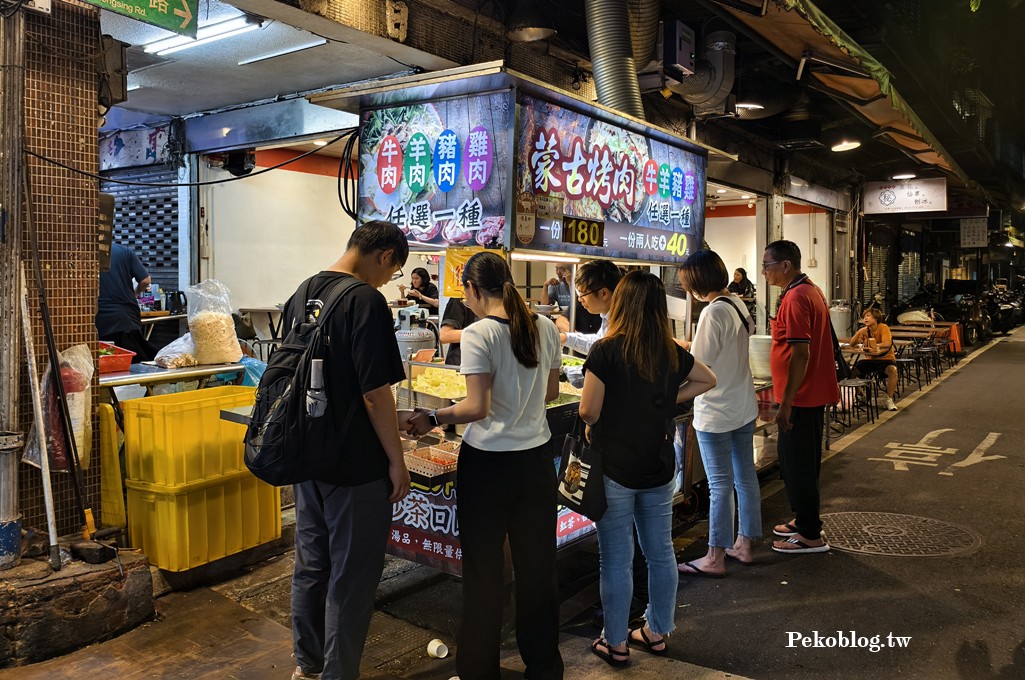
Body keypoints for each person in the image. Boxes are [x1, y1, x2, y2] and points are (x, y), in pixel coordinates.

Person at [406, 251, 564, 680]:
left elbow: (477, 407)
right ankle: (545, 669)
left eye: (466, 293)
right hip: (535, 463)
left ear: (474, 290)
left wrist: (432, 418)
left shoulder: (479, 334)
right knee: (536, 569)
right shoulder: (546, 327)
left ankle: (478, 672)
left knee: (484, 573)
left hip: (489, 466)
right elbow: (551, 394)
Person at [287, 220, 412, 680]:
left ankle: (307, 665)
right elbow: (374, 394)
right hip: (355, 467)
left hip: (307, 456)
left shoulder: (303, 292)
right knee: (352, 579)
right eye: (394, 270)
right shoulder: (365, 300)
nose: (388, 279)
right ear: (383, 257)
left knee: (312, 566)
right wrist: (397, 462)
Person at [579, 271, 716, 665]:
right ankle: (657, 631)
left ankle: (616, 641)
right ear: (659, 308)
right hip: (658, 467)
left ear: (621, 303)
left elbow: (588, 410)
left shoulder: (606, 350)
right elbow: (708, 379)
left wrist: (602, 418)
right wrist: (665, 400)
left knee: (616, 559)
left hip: (615, 469)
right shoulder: (670, 351)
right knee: (660, 552)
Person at [675, 250, 762, 576]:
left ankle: (714, 556)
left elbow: (700, 368)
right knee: (744, 476)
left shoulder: (712, 313)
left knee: (720, 483)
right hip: (743, 405)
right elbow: (727, 346)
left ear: (697, 282)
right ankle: (744, 544)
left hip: (717, 411)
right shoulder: (736, 303)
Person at [762, 240, 839, 555]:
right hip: (808, 396)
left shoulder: (796, 298)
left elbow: (800, 354)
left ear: (785, 266)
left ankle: (810, 534)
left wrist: (787, 402)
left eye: (767, 265)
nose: (764, 271)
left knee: (799, 466)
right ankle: (803, 520)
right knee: (800, 463)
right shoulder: (810, 290)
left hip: (802, 399)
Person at [96, 242, 157, 362]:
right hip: (127, 317)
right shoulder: (124, 251)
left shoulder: (83, 252)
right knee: (133, 364)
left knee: (107, 364)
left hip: (100, 319)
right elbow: (145, 280)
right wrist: (136, 293)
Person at [554, 259, 623, 355]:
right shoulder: (607, 316)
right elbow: (598, 342)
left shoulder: (624, 322)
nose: (580, 299)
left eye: (582, 294)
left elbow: (604, 350)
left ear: (603, 293)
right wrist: (565, 338)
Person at [849, 308, 899, 411]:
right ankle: (861, 395)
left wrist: (874, 345)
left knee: (893, 370)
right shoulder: (865, 330)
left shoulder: (883, 327)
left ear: (876, 318)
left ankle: (889, 399)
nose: (865, 318)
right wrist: (858, 333)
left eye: (868, 316)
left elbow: (887, 343)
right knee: (851, 371)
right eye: (864, 316)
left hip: (885, 359)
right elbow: (852, 343)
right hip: (870, 360)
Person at [439, 297, 478, 366]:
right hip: (461, 363)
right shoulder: (459, 298)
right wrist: (481, 332)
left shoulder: (499, 298)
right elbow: (445, 335)